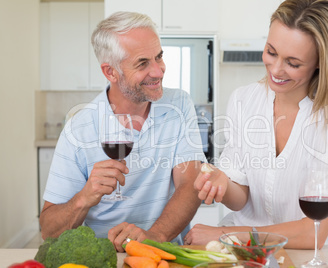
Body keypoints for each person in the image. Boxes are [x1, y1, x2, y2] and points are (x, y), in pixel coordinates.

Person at [184, 0, 328, 249]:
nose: (275, 69)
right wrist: (222, 182)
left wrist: (227, 234)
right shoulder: (244, 100)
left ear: (320, 62)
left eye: (293, 63)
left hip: (308, 258)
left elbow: (311, 233)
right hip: (247, 255)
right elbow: (240, 199)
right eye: (271, 52)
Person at [39, 11, 206, 252]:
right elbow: (48, 230)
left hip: (165, 254)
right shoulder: (80, 128)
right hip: (104, 257)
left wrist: (153, 237)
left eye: (159, 57)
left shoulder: (178, 104)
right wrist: (84, 198)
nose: (158, 71)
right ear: (110, 72)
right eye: (142, 63)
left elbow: (190, 184)